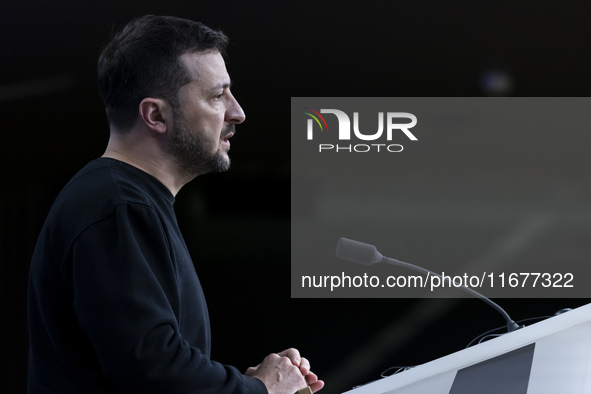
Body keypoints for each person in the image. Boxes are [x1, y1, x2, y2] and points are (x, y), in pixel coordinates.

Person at [27, 15, 324, 394]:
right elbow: (152, 369)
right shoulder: (119, 206)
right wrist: (260, 390)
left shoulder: (120, 201)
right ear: (155, 115)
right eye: (217, 96)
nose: (237, 112)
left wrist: (252, 385)